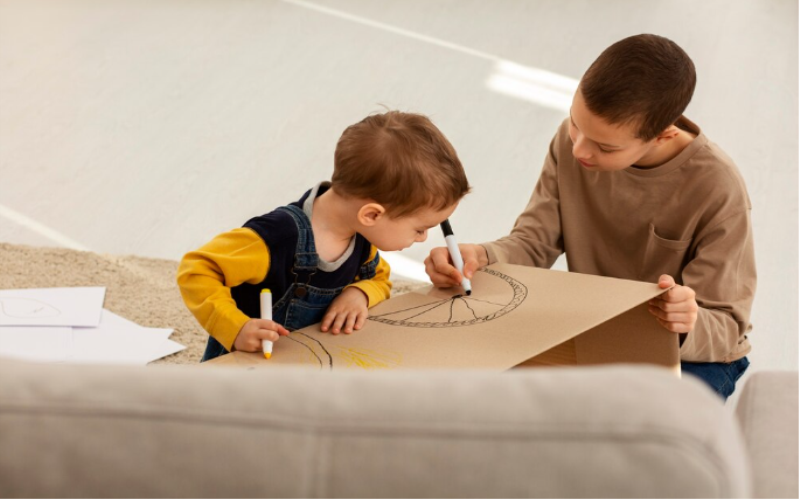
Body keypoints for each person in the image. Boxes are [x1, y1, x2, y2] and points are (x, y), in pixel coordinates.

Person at [425, 34, 755, 400]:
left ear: (664, 135)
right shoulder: (572, 143)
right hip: (594, 328)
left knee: (646, 435)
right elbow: (534, 241)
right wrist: (481, 257)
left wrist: (685, 320)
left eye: (606, 146)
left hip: (692, 355)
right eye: (575, 123)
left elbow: (726, 325)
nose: (579, 148)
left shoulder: (718, 187)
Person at [179, 110, 471, 362]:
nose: (422, 239)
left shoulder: (363, 237)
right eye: (420, 229)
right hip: (245, 366)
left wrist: (359, 293)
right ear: (371, 214)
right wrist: (235, 327)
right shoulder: (273, 237)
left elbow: (379, 278)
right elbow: (197, 270)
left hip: (310, 365)